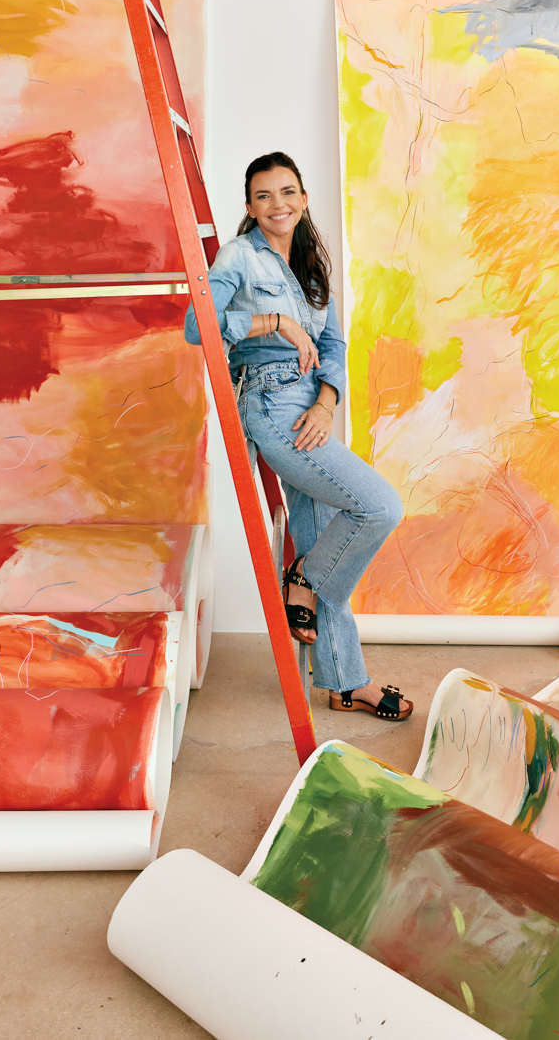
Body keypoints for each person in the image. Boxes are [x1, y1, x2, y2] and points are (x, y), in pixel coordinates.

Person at [184, 151, 412, 721]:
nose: (277, 205)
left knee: (323, 537)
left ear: (304, 198)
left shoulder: (310, 266)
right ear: (249, 207)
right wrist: (272, 322)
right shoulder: (238, 257)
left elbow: (333, 344)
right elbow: (197, 326)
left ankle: (343, 681)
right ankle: (302, 580)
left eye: (287, 193)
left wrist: (328, 401)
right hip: (269, 403)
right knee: (379, 507)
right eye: (263, 196)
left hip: (311, 405)